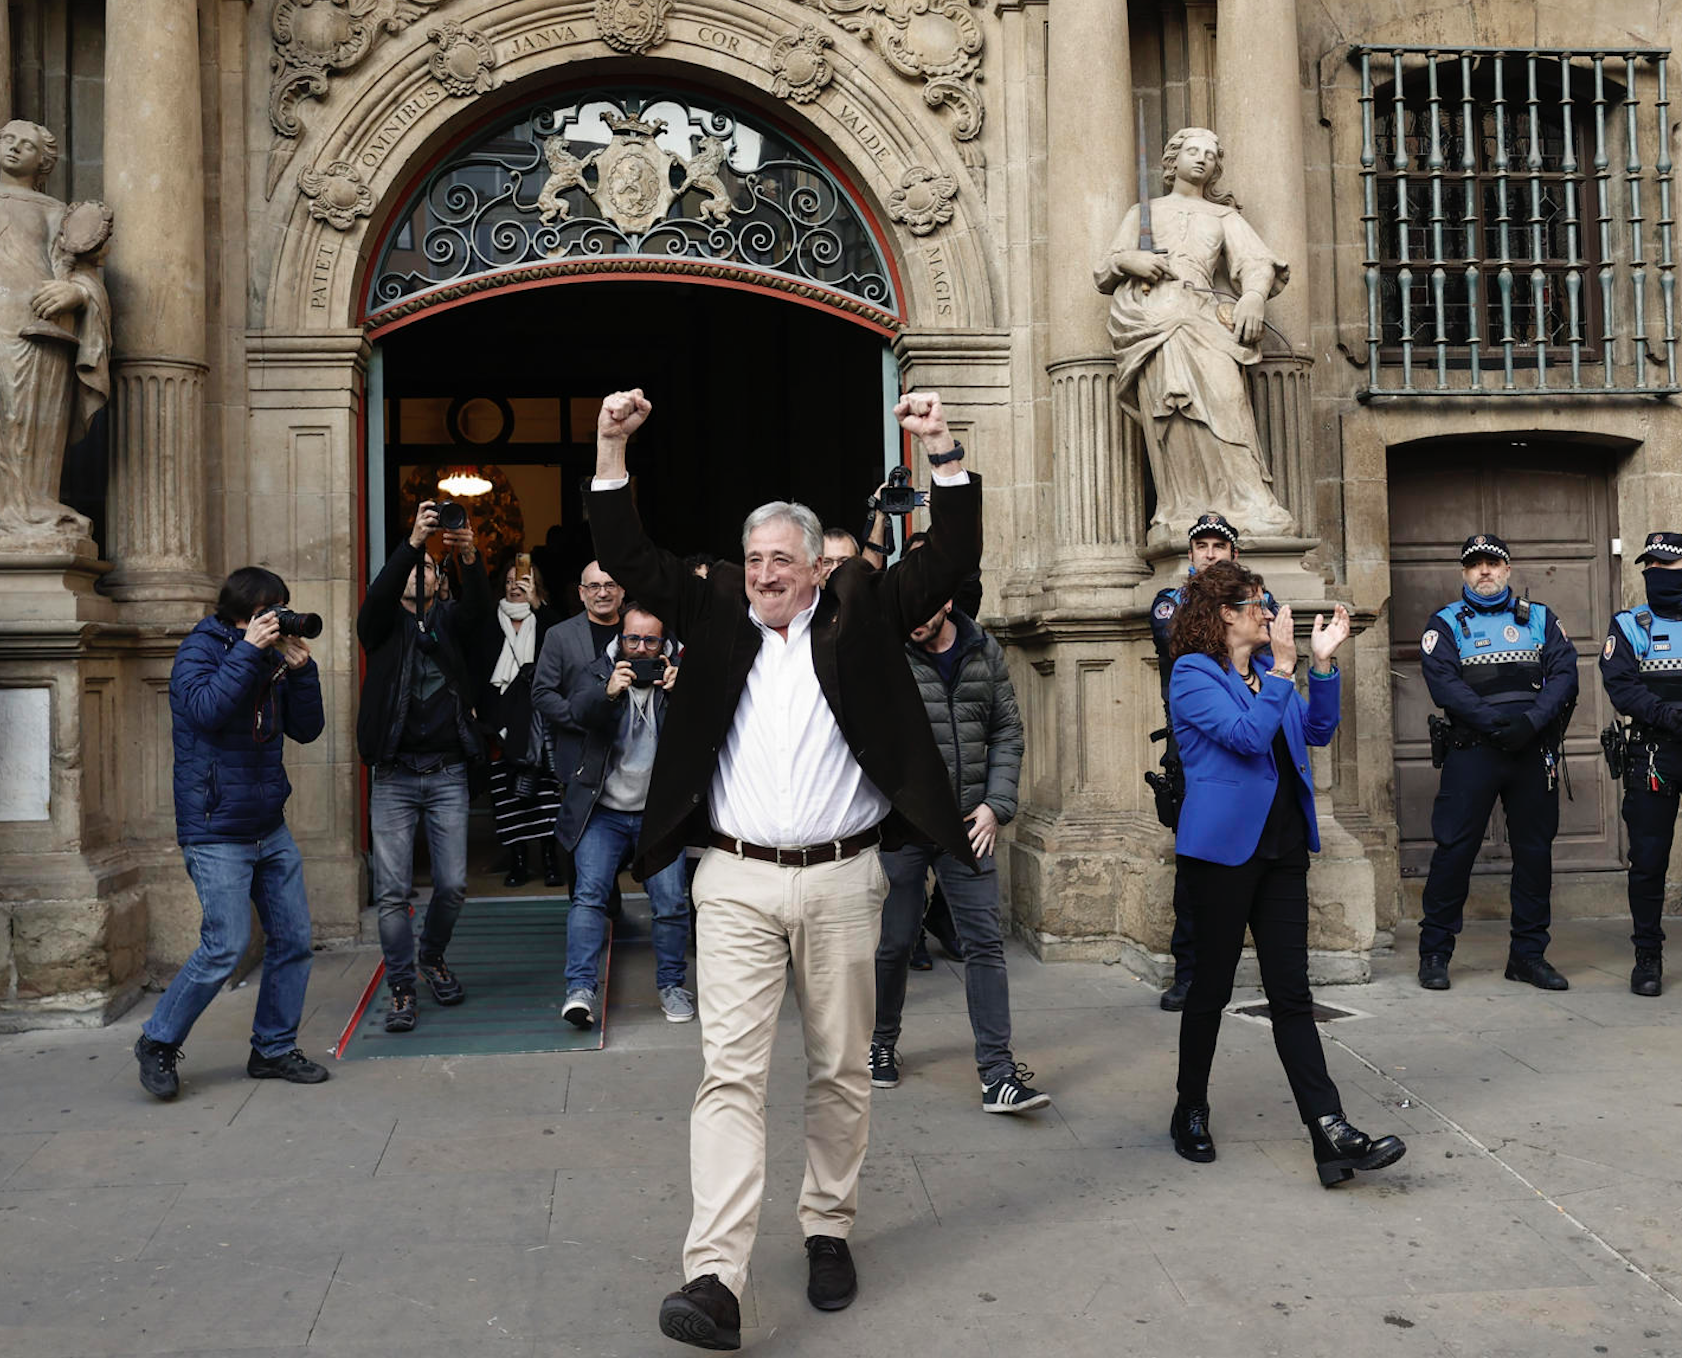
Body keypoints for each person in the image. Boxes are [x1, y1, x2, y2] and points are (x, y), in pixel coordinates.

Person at [581, 388, 979, 1350]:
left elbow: (952, 559)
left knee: (841, 1070)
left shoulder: (866, 614)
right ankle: (714, 1275)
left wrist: (945, 453)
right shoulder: (714, 608)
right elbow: (630, 555)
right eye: (753, 558)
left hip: (843, 881)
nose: (763, 574)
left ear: (814, 570)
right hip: (734, 883)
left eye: (781, 562)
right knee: (730, 1077)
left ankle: (828, 1227)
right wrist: (608, 447)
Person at [1168, 561, 1405, 1186]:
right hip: (1220, 853)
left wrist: (1321, 664)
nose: (1270, 614)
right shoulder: (1194, 674)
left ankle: (1330, 1134)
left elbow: (1318, 730)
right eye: (1257, 604)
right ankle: (1189, 1107)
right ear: (1224, 613)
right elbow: (1246, 738)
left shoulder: (1267, 677)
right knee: (1211, 990)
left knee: (1291, 995)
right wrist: (1280, 669)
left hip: (1281, 850)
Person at [134, 568, 329, 1099]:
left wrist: (303, 673)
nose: (282, 618)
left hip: (269, 824)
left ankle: (272, 1048)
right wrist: (246, 652)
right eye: (274, 609)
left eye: (285, 608)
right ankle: (158, 1040)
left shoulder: (272, 657)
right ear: (246, 611)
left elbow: (307, 730)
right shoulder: (200, 649)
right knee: (226, 946)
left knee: (292, 940)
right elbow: (206, 712)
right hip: (216, 826)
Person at [869, 597, 1045, 1112]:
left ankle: (998, 1073)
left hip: (969, 823)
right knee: (894, 943)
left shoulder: (981, 648)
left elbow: (1006, 731)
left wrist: (997, 804)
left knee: (984, 945)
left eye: (926, 605)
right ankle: (881, 1042)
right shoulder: (889, 651)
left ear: (947, 601)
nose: (916, 619)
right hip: (903, 824)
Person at [1095, 127, 1296, 543]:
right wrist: (1131, 261)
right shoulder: (1143, 214)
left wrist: (1254, 297)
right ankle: (1182, 509)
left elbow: (1257, 262)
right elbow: (1104, 270)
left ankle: (1249, 502)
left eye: (1210, 153)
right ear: (1172, 161)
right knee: (1172, 419)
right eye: (1192, 151)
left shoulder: (1224, 217)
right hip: (1152, 322)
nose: (1202, 159)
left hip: (1202, 319)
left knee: (1228, 404)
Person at [1416, 534, 1579, 992]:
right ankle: (1435, 952)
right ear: (1464, 574)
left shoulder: (1541, 619)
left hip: (1530, 751)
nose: (1484, 572)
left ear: (1508, 570)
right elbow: (1444, 685)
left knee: (1534, 855)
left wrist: (1530, 723)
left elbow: (1565, 675)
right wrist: (1494, 724)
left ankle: (1527, 956)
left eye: (1493, 564)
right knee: (1454, 850)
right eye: (1475, 566)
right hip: (1473, 752)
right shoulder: (1445, 624)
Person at [358, 500, 489, 1033]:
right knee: (392, 892)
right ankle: (402, 988)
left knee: (453, 884)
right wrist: (413, 542)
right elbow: (380, 594)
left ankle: (431, 955)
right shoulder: (381, 627)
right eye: (416, 568)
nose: (421, 574)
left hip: (446, 774)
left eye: (431, 568)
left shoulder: (452, 623)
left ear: (440, 582)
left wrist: (471, 557)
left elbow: (481, 612)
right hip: (393, 775)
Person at [1147, 512, 1273, 1011]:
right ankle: (1189, 972)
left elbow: (1271, 636)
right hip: (1196, 745)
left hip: (1255, 736)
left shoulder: (1259, 603)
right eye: (1202, 545)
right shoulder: (1171, 604)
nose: (1210, 552)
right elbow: (1180, 639)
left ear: (1234, 553)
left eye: (1220, 545)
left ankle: (1273, 968)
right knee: (1195, 869)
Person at [556, 604, 692, 1026]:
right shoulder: (599, 671)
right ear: (621, 638)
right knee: (589, 897)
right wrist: (609, 692)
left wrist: (681, 692)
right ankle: (580, 990)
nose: (640, 649)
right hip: (605, 811)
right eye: (632, 639)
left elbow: (708, 732)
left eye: (650, 640)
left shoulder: (679, 674)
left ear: (664, 643)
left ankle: (671, 985)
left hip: (658, 815)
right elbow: (577, 713)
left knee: (671, 902)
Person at [0, 118, 112, 539]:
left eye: (26, 145)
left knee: (28, 420)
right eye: (7, 139)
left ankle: (31, 507)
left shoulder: (54, 213)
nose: (13, 148)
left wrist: (76, 295)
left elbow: (83, 275)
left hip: (37, 328)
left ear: (43, 162)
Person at [1598, 531, 1682, 997]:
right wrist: (1669, 716)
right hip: (1654, 752)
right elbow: (1622, 685)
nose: (1656, 574)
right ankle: (1647, 954)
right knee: (1648, 860)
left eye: (1666, 567)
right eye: (1649, 567)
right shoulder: (1631, 624)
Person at [474, 552, 565, 888]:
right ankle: (518, 861)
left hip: (539, 720)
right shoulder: (488, 621)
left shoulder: (548, 622)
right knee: (506, 795)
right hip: (500, 721)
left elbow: (562, 643)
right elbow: (476, 666)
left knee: (545, 796)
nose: (515, 587)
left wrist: (537, 605)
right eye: (510, 582)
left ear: (535, 585)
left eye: (523, 581)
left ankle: (550, 859)